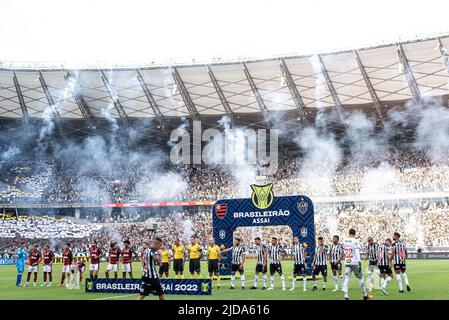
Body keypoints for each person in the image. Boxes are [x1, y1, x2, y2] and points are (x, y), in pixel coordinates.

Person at [342, 229, 372, 300]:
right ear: (355, 234)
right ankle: (365, 295)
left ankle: (346, 296)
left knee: (347, 278)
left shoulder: (344, 240)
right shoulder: (355, 241)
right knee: (360, 277)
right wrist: (359, 262)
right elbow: (357, 251)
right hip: (355, 261)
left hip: (347, 261)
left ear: (348, 233)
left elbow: (344, 250)